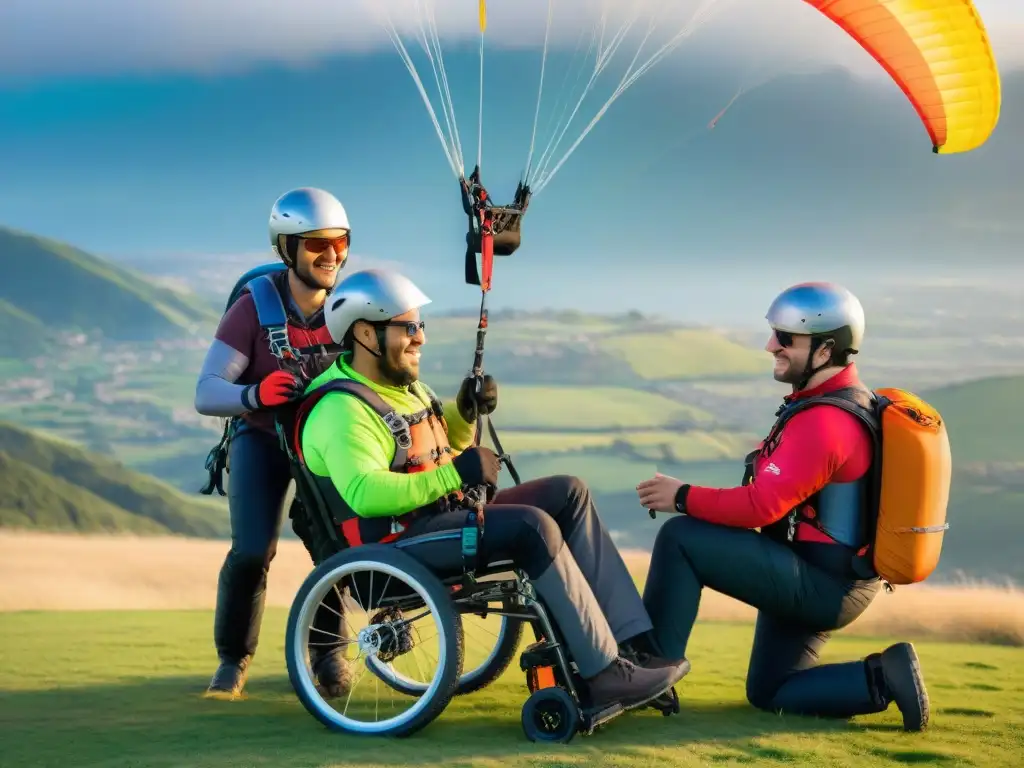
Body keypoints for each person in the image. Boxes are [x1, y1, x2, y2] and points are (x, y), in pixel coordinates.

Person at [298, 268, 690, 711]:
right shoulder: (340, 410)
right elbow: (364, 494)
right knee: (531, 527)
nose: (420, 339)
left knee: (569, 492)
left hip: (437, 519)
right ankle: (603, 676)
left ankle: (635, 646)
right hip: (395, 546)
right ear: (366, 334)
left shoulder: (402, 388)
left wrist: (465, 411)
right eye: (408, 328)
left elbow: (440, 447)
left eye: (419, 326)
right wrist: (456, 475)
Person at [634, 282, 931, 731]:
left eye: (787, 338)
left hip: (820, 583)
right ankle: (885, 676)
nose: (771, 345)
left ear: (826, 349)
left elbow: (761, 507)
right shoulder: (837, 403)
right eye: (776, 333)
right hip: (829, 575)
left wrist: (681, 496)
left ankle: (645, 678)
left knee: (681, 538)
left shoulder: (826, 422)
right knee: (770, 690)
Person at [194, 187, 354, 699]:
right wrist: (254, 393)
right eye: (316, 244)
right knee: (251, 552)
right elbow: (206, 391)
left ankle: (328, 656)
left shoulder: (351, 312)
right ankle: (232, 660)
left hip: (321, 445)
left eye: (340, 242)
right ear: (287, 248)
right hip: (260, 437)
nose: (331, 254)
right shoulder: (252, 309)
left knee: (332, 546)